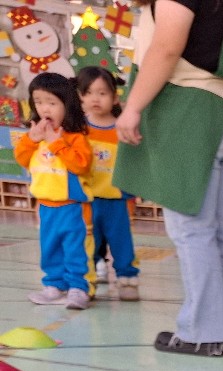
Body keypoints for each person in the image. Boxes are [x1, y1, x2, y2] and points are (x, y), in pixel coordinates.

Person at [116, 0, 223, 356]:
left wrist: (133, 107)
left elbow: (166, 47)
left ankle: (202, 332)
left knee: (193, 231)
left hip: (191, 113)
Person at [16, 72, 93, 310]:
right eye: (38, 102)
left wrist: (56, 142)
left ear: (66, 105)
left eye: (51, 102)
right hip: (45, 206)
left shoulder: (75, 137)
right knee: (49, 247)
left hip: (71, 206)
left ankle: (78, 288)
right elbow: (22, 159)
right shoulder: (35, 136)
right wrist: (31, 139)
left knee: (74, 248)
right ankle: (53, 285)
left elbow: (81, 164)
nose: (44, 108)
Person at [77, 67, 139, 301]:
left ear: (114, 97)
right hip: (87, 199)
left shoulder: (122, 128)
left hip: (116, 199)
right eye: (89, 93)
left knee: (122, 242)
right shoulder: (79, 130)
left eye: (102, 93)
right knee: (88, 241)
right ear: (81, 96)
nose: (95, 98)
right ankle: (88, 280)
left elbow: (133, 162)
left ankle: (127, 279)